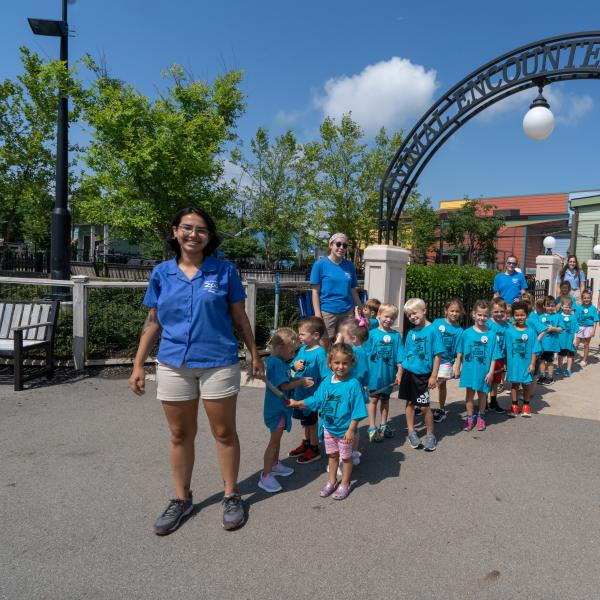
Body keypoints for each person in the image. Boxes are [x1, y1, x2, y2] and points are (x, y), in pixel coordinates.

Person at [129, 206, 264, 535]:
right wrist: (137, 364)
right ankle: (181, 498)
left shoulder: (224, 271)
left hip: (218, 361)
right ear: (175, 232)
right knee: (180, 434)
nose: (193, 234)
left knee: (224, 432)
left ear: (209, 236)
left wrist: (254, 354)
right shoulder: (162, 273)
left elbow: (239, 317)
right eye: (186, 228)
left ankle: (232, 494)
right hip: (173, 363)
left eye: (201, 229)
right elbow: (153, 321)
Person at [288, 343, 368, 501]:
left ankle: (345, 483)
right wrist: (297, 403)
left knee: (346, 458)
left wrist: (351, 430)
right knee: (332, 456)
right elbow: (316, 399)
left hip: (345, 430)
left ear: (352, 363)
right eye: (337, 362)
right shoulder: (326, 382)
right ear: (330, 363)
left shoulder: (354, 384)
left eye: (345, 363)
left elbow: (358, 411)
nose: (340, 366)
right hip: (329, 428)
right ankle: (331, 481)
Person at [259, 328, 314, 494]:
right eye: (291, 351)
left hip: (280, 408)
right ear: (280, 348)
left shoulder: (279, 361)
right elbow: (284, 386)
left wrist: (296, 377)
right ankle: (266, 475)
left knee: (277, 439)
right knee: (274, 441)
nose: (293, 354)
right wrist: (301, 382)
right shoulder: (275, 363)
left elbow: (287, 378)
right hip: (276, 409)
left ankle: (274, 465)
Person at [400, 298, 444, 452]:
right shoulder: (411, 332)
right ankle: (411, 432)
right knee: (410, 403)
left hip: (423, 376)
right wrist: (400, 374)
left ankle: (430, 435)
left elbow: (437, 355)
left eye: (414, 313)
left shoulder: (433, 330)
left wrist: (433, 375)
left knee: (425, 407)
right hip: (409, 374)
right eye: (408, 315)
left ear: (424, 311)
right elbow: (406, 355)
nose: (411, 317)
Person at [455, 300, 503, 432]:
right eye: (480, 315)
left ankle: (481, 417)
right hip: (469, 370)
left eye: (485, 315)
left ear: (489, 316)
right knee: (469, 395)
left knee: (482, 395)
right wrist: (457, 366)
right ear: (474, 314)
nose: (482, 318)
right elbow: (460, 351)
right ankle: (470, 418)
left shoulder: (492, 334)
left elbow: (494, 355)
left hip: (485, 371)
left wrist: (491, 372)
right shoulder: (466, 333)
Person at [287, 317, 329, 465]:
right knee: (304, 422)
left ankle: (314, 448)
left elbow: (326, 376)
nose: (299, 337)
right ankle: (305, 443)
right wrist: (294, 365)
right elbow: (294, 364)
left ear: (315, 335)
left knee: (311, 422)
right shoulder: (303, 349)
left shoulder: (320, 353)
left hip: (311, 396)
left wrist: (321, 395)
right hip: (299, 393)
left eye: (302, 334)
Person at [310, 233, 362, 348]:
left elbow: (353, 289)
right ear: (331, 245)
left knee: (347, 345)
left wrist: (361, 308)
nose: (341, 248)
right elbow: (315, 292)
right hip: (328, 312)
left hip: (347, 311)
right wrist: (318, 315)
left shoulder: (349, 266)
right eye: (338, 244)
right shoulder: (320, 265)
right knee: (325, 346)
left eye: (345, 245)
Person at [365, 303, 404, 442]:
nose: (389, 319)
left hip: (388, 375)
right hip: (374, 376)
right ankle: (371, 427)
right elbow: (364, 356)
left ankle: (383, 425)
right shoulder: (371, 335)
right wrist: (364, 377)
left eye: (392, 317)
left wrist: (399, 373)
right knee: (373, 400)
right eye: (386, 316)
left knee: (385, 401)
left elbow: (400, 358)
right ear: (379, 316)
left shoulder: (396, 336)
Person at [335, 318, 370, 466]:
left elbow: (333, 357)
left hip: (350, 393)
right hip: (358, 391)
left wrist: (337, 343)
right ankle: (354, 452)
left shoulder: (353, 352)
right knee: (354, 426)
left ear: (353, 338)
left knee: (348, 424)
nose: (341, 339)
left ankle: (347, 454)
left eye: (343, 336)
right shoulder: (362, 350)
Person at [504, 301, 541, 417]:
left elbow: (535, 349)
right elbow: (506, 349)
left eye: (522, 315)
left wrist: (533, 364)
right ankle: (514, 406)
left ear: (527, 315)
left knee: (526, 385)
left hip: (527, 364)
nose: (520, 317)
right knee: (514, 385)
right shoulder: (509, 331)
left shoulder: (531, 332)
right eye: (517, 315)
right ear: (513, 316)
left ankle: (526, 405)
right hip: (513, 364)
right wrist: (506, 363)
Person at [430, 299, 464, 423]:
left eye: (457, 311)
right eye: (452, 311)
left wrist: (457, 365)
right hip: (431, 358)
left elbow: (460, 349)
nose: (454, 313)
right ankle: (421, 404)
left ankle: (441, 409)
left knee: (441, 384)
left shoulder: (460, 330)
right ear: (446, 311)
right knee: (425, 381)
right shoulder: (437, 322)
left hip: (446, 361)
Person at [487, 298, 510, 414]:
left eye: (501, 311)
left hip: (500, 357)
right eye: (496, 312)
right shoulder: (487, 324)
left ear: (505, 311)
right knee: (486, 380)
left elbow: (508, 344)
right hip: (488, 358)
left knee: (496, 381)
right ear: (491, 311)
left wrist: (506, 361)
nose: (499, 314)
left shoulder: (507, 326)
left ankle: (493, 402)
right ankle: (483, 401)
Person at [538, 296, 563, 385]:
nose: (550, 308)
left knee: (549, 361)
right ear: (544, 306)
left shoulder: (557, 316)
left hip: (551, 344)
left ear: (555, 306)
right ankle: (542, 376)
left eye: (552, 306)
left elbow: (561, 329)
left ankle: (550, 377)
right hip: (541, 344)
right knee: (541, 360)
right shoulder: (540, 317)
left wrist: (553, 328)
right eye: (548, 306)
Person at [575, 290, 599, 367]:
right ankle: (573, 357)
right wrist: (575, 330)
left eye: (588, 298)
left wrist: (593, 331)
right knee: (576, 343)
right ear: (582, 299)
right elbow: (575, 319)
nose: (586, 299)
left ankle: (584, 360)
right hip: (580, 327)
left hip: (589, 327)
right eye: (584, 298)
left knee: (586, 344)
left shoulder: (593, 308)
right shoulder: (578, 308)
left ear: (591, 298)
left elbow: (595, 320)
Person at [556, 298, 578, 378]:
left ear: (571, 307)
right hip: (561, 340)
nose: (567, 308)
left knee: (570, 355)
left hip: (570, 340)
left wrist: (575, 339)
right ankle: (559, 367)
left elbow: (576, 329)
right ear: (561, 307)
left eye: (569, 307)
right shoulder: (558, 316)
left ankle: (568, 369)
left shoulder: (573, 317)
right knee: (560, 355)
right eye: (565, 307)